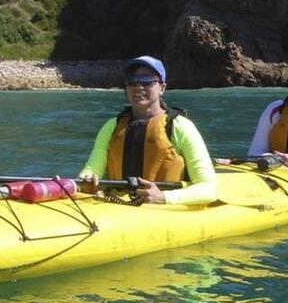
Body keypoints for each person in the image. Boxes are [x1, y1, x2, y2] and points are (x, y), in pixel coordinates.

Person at [78, 56, 217, 205]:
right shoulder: (112, 126)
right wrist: (87, 181)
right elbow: (91, 170)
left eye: (147, 81)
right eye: (132, 81)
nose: (138, 87)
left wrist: (163, 197)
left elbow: (209, 189)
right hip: (118, 206)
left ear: (162, 88)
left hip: (164, 207)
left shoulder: (180, 126)